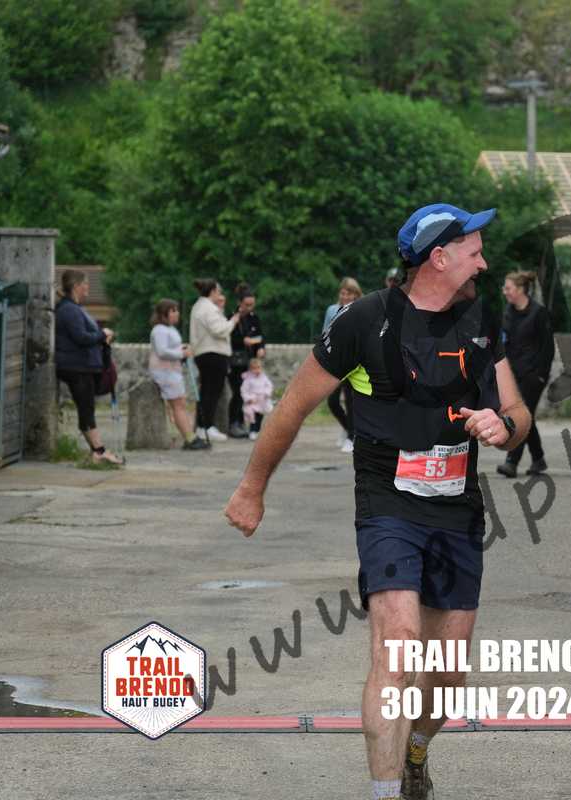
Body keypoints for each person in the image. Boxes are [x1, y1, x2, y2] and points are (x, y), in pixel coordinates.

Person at [225, 203, 531, 800]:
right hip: (388, 505)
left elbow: (517, 411)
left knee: (446, 676)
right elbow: (292, 406)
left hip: (458, 508)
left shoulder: (479, 320)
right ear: (438, 258)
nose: (483, 262)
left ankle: (416, 751)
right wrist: (251, 487)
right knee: (396, 648)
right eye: (474, 251)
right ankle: (385, 791)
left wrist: (505, 426)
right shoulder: (363, 321)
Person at [54, 269, 123, 465]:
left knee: (87, 408)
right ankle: (99, 452)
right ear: (76, 286)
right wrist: (103, 334)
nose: (88, 287)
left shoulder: (74, 308)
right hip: (77, 367)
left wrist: (102, 336)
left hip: (83, 366)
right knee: (86, 408)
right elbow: (81, 338)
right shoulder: (69, 310)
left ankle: (97, 451)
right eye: (85, 284)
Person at [495, 270, 554, 477]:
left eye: (508, 288)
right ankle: (538, 459)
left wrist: (541, 374)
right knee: (526, 417)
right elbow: (503, 343)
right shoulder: (508, 313)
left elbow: (548, 348)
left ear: (520, 289)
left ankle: (511, 462)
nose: (505, 292)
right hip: (513, 375)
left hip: (533, 376)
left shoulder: (539, 313)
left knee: (518, 416)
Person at [148, 298, 207, 451]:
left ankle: (190, 435)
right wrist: (182, 353)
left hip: (173, 371)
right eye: (173, 311)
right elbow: (162, 351)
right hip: (164, 372)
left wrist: (182, 348)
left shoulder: (170, 329)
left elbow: (172, 347)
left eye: (177, 310)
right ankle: (189, 437)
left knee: (181, 403)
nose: (177, 313)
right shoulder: (159, 330)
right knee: (178, 404)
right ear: (164, 314)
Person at [189, 278, 241, 443]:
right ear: (212, 291)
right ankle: (206, 427)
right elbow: (220, 330)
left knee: (207, 391)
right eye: (218, 291)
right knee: (212, 392)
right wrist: (233, 321)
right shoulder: (208, 308)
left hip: (204, 353)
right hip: (213, 354)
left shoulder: (199, 306)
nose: (220, 294)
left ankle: (202, 426)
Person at [323, 277, 363, 452]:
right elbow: (325, 333)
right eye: (343, 293)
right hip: (335, 361)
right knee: (332, 401)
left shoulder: (360, 309)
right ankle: (348, 427)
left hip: (353, 361)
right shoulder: (332, 310)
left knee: (350, 399)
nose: (345, 296)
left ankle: (351, 437)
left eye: (349, 294)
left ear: (356, 295)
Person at [228, 283, 265, 439]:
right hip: (235, 361)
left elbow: (261, 336)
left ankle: (244, 423)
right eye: (247, 305)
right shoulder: (232, 317)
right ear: (240, 303)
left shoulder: (254, 317)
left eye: (252, 305)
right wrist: (243, 341)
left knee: (250, 393)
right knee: (238, 391)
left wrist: (261, 347)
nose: (249, 308)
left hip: (250, 361)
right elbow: (228, 337)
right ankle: (233, 423)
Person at [239, 357, 274, 441]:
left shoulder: (264, 377)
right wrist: (248, 398)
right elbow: (244, 390)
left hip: (262, 401)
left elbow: (269, 386)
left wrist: (267, 393)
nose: (257, 370)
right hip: (253, 401)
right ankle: (252, 431)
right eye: (254, 368)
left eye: (258, 368)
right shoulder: (248, 379)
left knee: (260, 417)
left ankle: (257, 430)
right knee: (252, 417)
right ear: (250, 369)